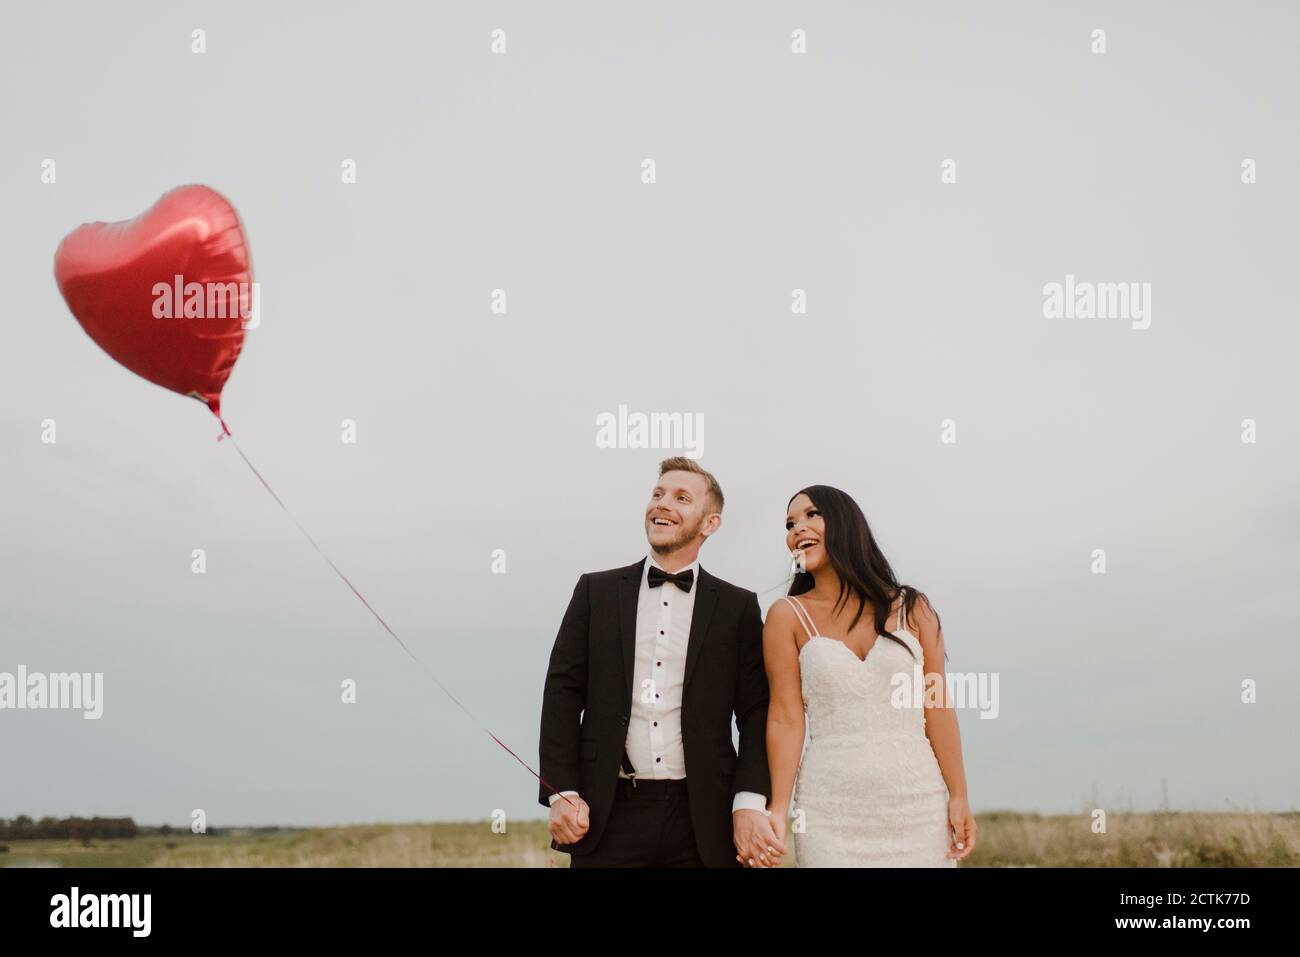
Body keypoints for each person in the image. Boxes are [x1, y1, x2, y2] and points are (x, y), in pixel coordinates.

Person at [538, 457, 779, 867]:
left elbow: (756, 711)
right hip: (608, 812)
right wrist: (561, 790)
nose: (662, 504)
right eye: (657, 494)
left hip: (704, 817)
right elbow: (562, 691)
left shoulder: (738, 607)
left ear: (710, 523)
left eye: (681, 498)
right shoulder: (595, 592)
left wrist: (750, 801)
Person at [763, 485, 977, 866]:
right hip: (829, 810)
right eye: (790, 523)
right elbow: (785, 717)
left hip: (918, 804)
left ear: (846, 523)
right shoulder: (786, 616)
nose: (797, 529)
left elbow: (938, 708)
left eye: (812, 515)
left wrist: (958, 794)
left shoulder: (913, 607)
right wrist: (777, 811)